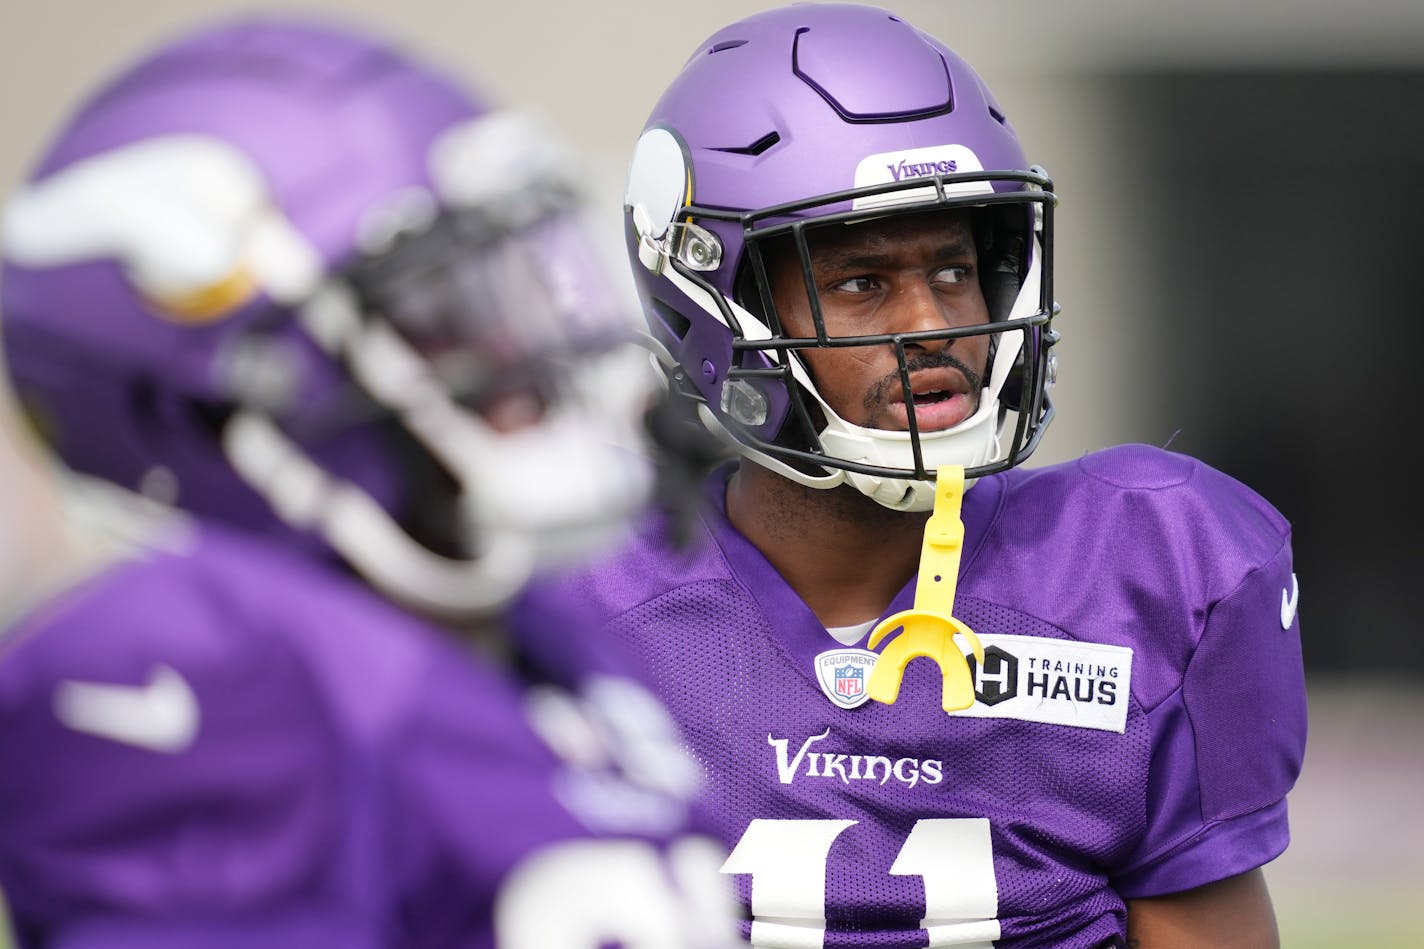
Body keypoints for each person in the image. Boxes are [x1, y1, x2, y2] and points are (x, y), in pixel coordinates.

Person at [548, 3, 1308, 947]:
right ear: (716, 304)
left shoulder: (1146, 567)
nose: (934, 321)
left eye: (953, 271)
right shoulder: (573, 603)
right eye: (864, 284)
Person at [0, 15, 734, 948]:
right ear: (215, 402)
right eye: (445, 316)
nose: (521, 353)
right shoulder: (206, 663)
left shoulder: (546, 636)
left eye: (513, 293)